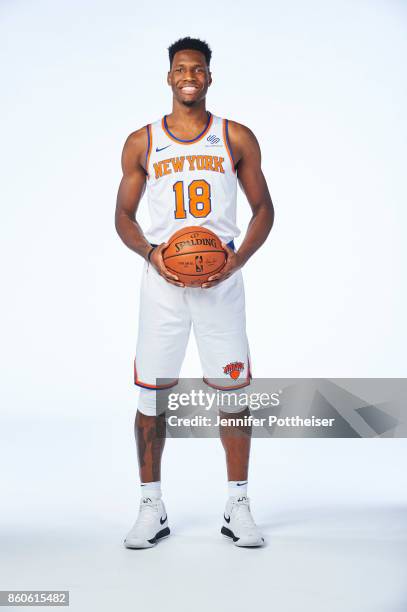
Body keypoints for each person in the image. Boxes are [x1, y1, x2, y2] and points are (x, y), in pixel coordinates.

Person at [115, 36, 274, 548]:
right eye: (181, 68)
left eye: (198, 68)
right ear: (169, 77)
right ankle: (150, 506)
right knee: (151, 398)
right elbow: (122, 216)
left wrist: (238, 259)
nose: (189, 75)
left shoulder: (235, 137)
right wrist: (151, 253)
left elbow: (264, 207)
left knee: (234, 398)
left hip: (220, 283)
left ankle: (239, 503)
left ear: (209, 77)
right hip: (162, 284)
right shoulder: (142, 142)